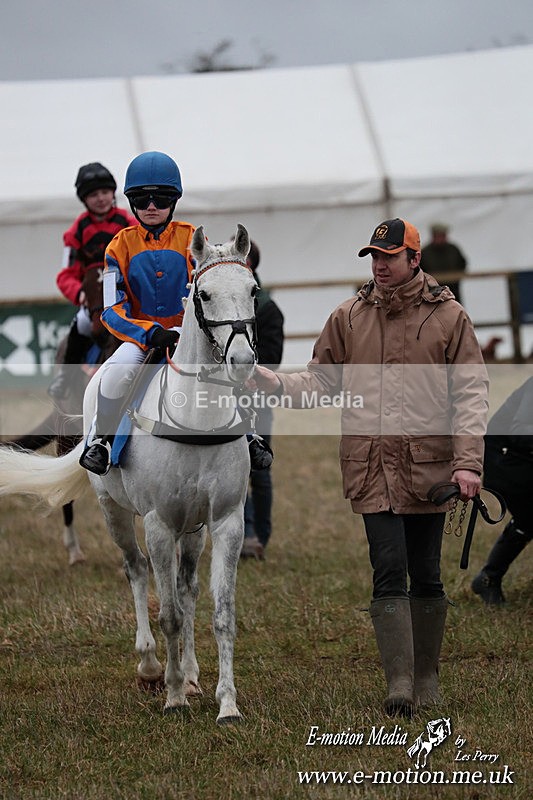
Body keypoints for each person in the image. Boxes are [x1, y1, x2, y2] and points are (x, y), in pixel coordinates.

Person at [251, 217, 488, 716]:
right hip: (372, 468)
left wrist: (468, 464)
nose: (380, 266)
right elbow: (320, 383)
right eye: (375, 257)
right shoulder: (349, 317)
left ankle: (427, 679)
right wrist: (275, 383)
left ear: (414, 259)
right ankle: (399, 683)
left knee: (426, 576)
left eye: (390, 257)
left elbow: (470, 394)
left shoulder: (449, 318)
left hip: (430, 469)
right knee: (388, 572)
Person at [79, 151, 273, 477]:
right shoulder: (117, 246)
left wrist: (186, 329)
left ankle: (250, 435)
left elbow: (206, 291)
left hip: (190, 337)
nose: (151, 206)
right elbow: (112, 310)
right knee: (114, 373)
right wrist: (149, 333)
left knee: (232, 367)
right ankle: (102, 441)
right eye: (142, 199)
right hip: (143, 340)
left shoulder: (192, 239)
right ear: (130, 202)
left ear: (174, 200)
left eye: (161, 198)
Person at [48, 163, 137, 400]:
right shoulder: (76, 232)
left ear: (113, 192)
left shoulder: (129, 224)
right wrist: (80, 294)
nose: (101, 198)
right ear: (84, 199)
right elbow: (66, 274)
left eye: (105, 192)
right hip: (94, 302)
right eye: (93, 194)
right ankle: (65, 378)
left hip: (124, 298)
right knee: (81, 325)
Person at [240, 240, 284, 561]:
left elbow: (273, 359)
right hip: (223, 399)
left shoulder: (267, 308)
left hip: (256, 398)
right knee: (234, 468)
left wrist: (250, 376)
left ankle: (259, 534)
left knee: (259, 467)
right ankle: (246, 532)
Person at [471, 376, 533, 605]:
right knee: (529, 518)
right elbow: (521, 429)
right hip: (505, 459)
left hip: (523, 457)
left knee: (528, 520)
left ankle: (488, 577)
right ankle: (488, 578)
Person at [420, 222, 467, 304]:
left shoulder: (453, 249)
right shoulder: (425, 252)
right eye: (438, 236)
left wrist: (456, 278)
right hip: (433, 292)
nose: (440, 238)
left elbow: (462, 264)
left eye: (442, 235)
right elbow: (420, 269)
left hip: (453, 290)